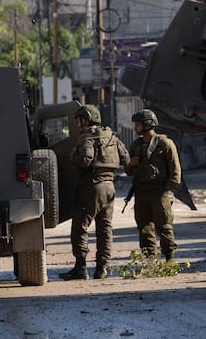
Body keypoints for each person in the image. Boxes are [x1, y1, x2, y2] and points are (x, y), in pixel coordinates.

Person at [59, 104, 130, 280]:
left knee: (80, 228)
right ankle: (102, 268)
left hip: (91, 187)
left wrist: (73, 156)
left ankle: (81, 268)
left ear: (86, 119)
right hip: (109, 187)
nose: (78, 123)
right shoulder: (111, 135)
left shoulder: (86, 138)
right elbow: (126, 158)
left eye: (79, 120)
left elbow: (84, 160)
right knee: (105, 228)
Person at [125, 109, 181, 260]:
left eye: (138, 124)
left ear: (148, 124)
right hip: (141, 191)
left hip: (159, 191)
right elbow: (128, 171)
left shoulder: (165, 144)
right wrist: (131, 164)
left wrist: (166, 190)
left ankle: (169, 257)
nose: (135, 127)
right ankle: (149, 258)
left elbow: (175, 170)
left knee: (164, 225)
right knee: (144, 227)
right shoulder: (136, 145)